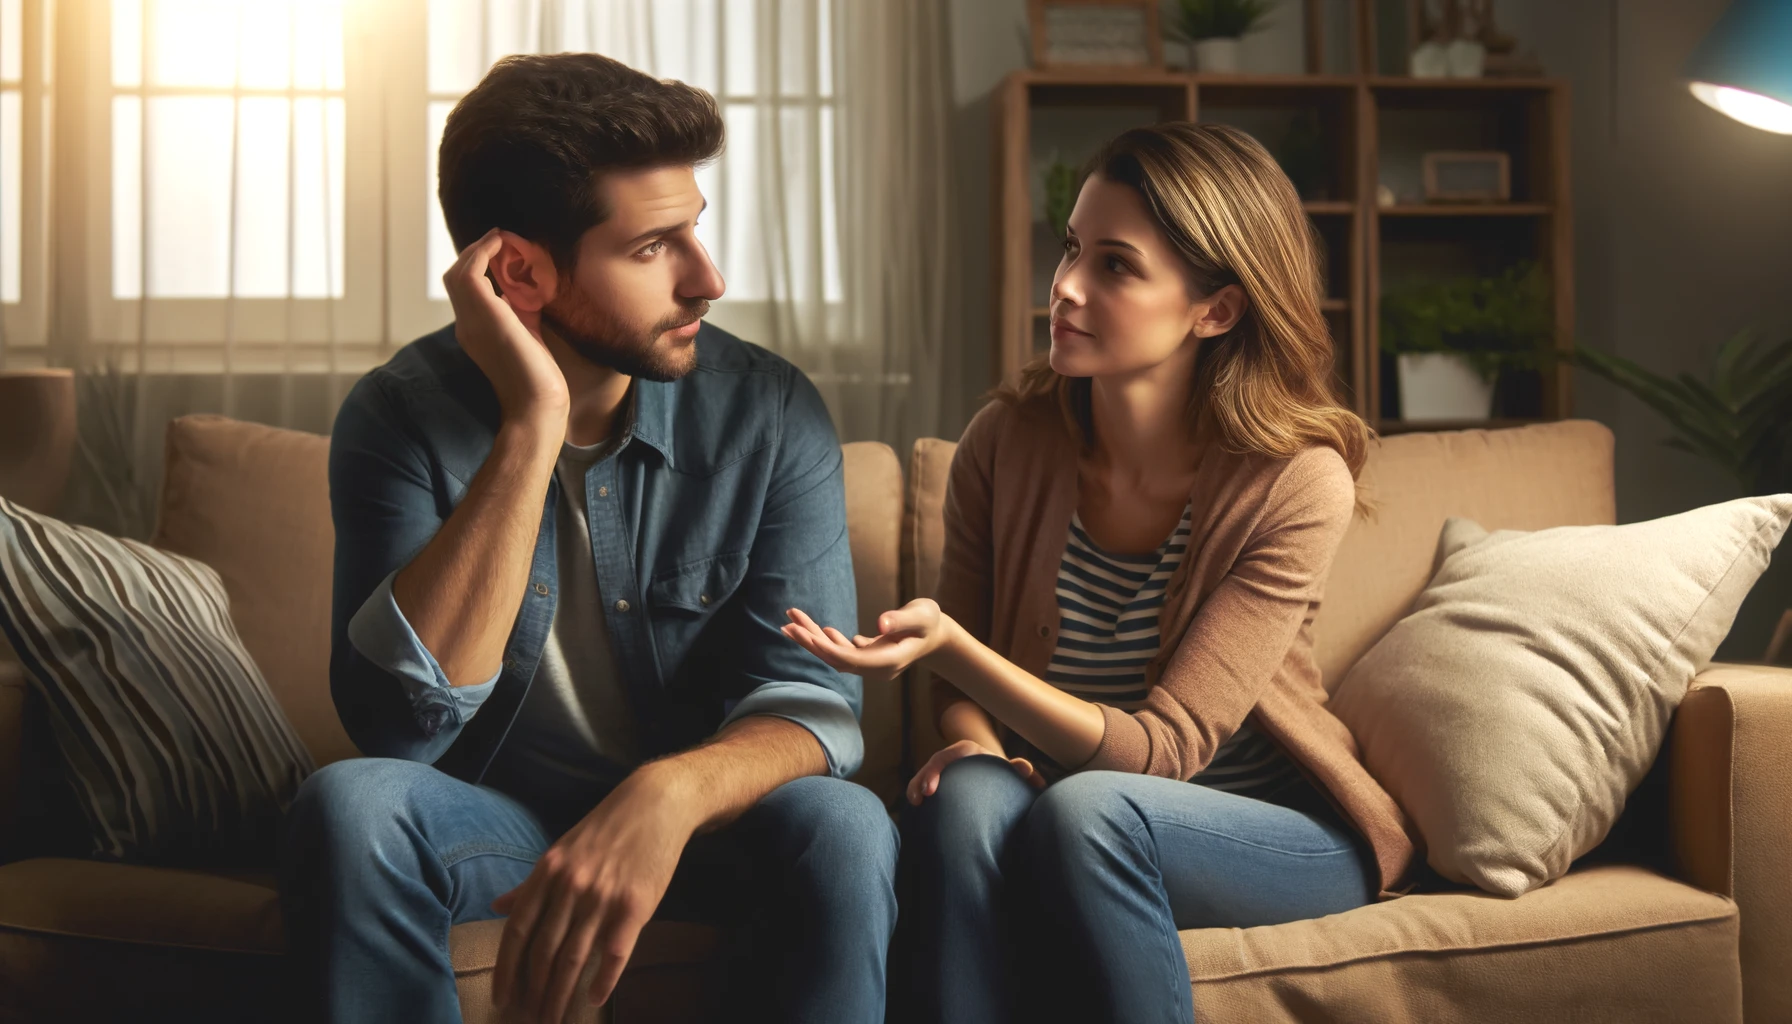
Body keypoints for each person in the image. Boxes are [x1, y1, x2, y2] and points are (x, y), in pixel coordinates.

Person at [279, 53, 897, 1024]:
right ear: (519, 270)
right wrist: (532, 423)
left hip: (708, 832)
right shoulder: (399, 416)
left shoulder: (769, 412)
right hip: (503, 833)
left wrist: (669, 795)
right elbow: (398, 725)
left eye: (693, 226)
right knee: (351, 803)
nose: (709, 278)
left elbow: (815, 706)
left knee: (846, 824)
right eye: (654, 248)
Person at [780, 122, 1419, 1023]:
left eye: (1116, 266)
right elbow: (954, 702)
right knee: (964, 798)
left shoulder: (1295, 479)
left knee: (1091, 814)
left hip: (1267, 830)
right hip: (1062, 804)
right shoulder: (1007, 441)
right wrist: (981, 747)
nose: (1067, 286)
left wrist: (957, 650)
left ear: (1217, 310)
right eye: (1072, 247)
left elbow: (1163, 754)